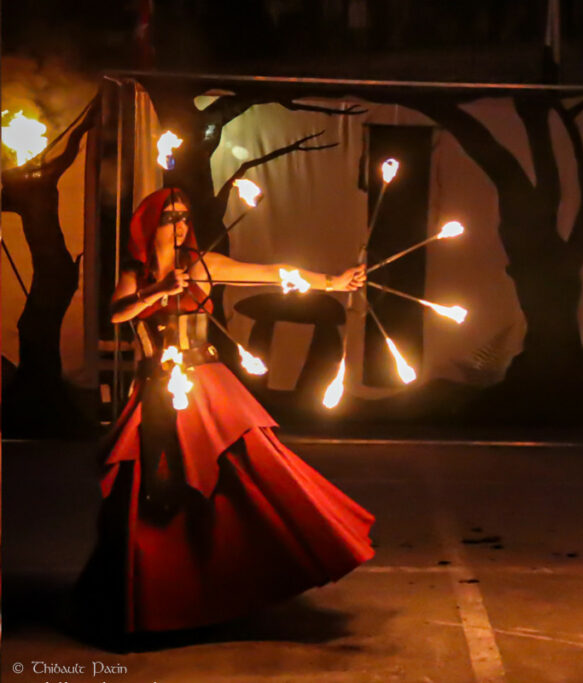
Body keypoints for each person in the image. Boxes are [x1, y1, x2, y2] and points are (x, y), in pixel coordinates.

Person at [76, 187, 374, 638]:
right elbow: (117, 314)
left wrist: (333, 282)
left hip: (209, 386)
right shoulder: (135, 272)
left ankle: (239, 581)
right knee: (145, 491)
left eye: (184, 217)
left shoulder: (202, 265)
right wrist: (158, 289)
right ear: (149, 224)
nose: (179, 226)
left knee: (247, 473)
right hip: (160, 387)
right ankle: (156, 600)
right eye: (169, 217)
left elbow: (273, 273)